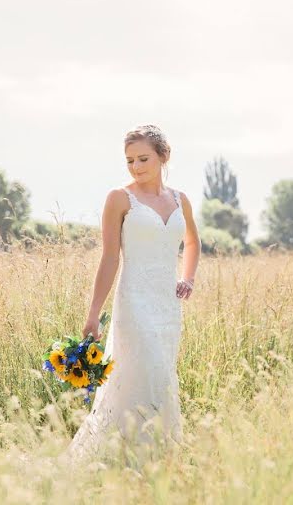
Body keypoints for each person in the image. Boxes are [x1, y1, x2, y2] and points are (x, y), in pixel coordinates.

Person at [63, 124, 200, 466]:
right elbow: (109, 257)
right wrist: (93, 313)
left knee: (160, 376)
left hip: (168, 308)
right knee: (147, 371)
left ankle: (154, 459)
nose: (136, 167)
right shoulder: (119, 199)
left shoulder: (180, 199)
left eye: (143, 159)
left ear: (163, 156)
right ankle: (124, 459)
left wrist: (188, 278)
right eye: (129, 161)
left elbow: (194, 242)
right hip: (134, 303)